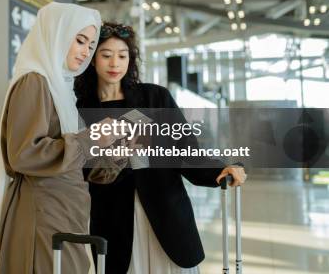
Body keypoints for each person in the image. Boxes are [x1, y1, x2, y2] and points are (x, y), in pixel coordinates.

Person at [74, 23, 246, 274]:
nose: (114, 64)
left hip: (166, 211)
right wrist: (111, 159)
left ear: (130, 60)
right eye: (106, 55)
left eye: (122, 56)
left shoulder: (155, 98)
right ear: (92, 59)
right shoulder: (80, 107)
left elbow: (185, 149)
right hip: (113, 217)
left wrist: (221, 169)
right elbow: (78, 167)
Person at [0, 2, 118, 274]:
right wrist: (91, 139)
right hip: (43, 215)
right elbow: (24, 154)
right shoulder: (35, 82)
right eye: (80, 40)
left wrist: (114, 150)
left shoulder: (62, 89)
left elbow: (77, 160)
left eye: (91, 45)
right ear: (57, 35)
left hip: (65, 212)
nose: (86, 52)